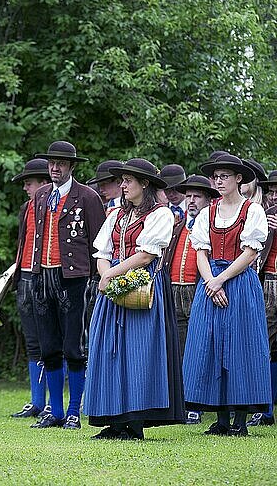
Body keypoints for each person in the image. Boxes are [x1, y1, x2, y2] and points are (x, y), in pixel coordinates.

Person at [84, 158, 185, 440]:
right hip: (114, 288)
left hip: (144, 288)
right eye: (123, 180)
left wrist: (110, 276)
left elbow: (146, 255)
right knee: (110, 352)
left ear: (145, 184)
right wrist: (107, 277)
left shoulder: (161, 214)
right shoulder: (116, 214)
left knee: (140, 353)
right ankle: (114, 421)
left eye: (129, 180)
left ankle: (135, 422)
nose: (123, 185)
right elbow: (101, 254)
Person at [183, 154, 271, 436]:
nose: (219, 181)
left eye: (225, 176)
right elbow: (200, 252)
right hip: (210, 285)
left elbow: (250, 252)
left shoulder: (252, 210)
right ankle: (220, 419)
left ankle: (240, 421)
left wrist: (220, 279)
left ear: (238, 179)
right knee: (210, 346)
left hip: (239, 283)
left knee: (241, 346)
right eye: (216, 176)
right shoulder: (208, 212)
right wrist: (210, 282)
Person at [29, 141, 106, 430]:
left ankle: (74, 409)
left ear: (72, 166)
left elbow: (99, 243)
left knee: (74, 346)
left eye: (61, 163)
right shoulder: (41, 196)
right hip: (42, 275)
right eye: (51, 162)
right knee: (48, 346)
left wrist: (94, 277)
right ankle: (55, 410)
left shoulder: (86, 196)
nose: (55, 168)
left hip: (73, 279)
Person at [163, 175, 219, 425]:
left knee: (199, 348)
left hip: (199, 289)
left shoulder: (212, 226)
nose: (191, 201)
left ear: (208, 200)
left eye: (197, 196)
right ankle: (180, 402)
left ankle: (197, 403)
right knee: (177, 348)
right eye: (188, 196)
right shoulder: (179, 225)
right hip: (175, 288)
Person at [10, 158, 51, 419]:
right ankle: (37, 401)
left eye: (29, 183)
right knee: (33, 341)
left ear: (44, 183)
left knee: (54, 342)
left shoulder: (58, 205)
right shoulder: (27, 207)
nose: (26, 188)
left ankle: (55, 403)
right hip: (25, 276)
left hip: (47, 277)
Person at [247, 168, 277, 427]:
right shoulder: (263, 216)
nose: (275, 196)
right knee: (266, 344)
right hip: (268, 282)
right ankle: (265, 410)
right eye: (272, 191)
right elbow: (255, 253)